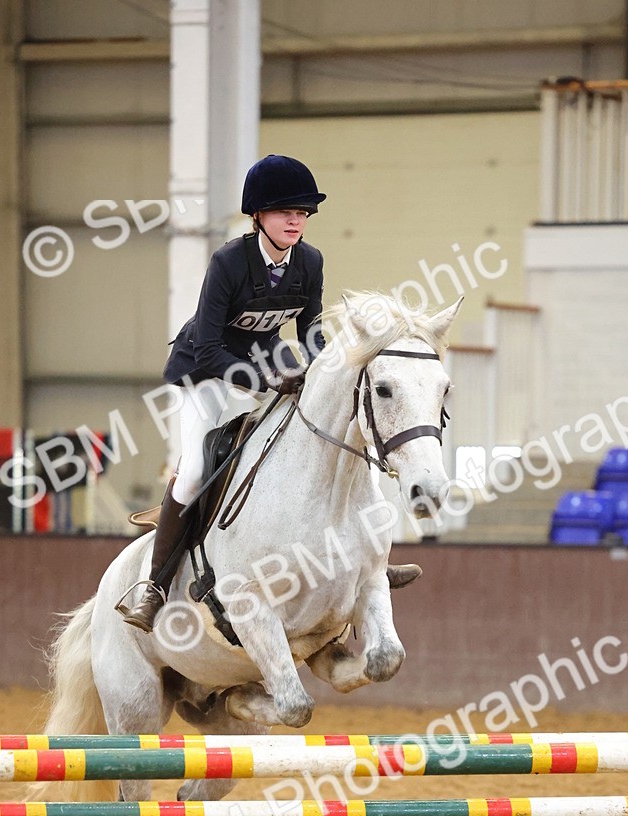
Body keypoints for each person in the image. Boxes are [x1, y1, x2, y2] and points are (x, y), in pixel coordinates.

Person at [121, 153, 419, 633]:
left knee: (325, 438)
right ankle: (153, 587)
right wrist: (268, 381)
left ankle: (369, 565)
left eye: (302, 212)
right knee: (197, 468)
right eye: (285, 211)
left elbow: (309, 335)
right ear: (257, 215)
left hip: (265, 361)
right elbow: (211, 348)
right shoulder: (228, 262)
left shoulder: (311, 262)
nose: (296, 220)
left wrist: (330, 368)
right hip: (205, 370)